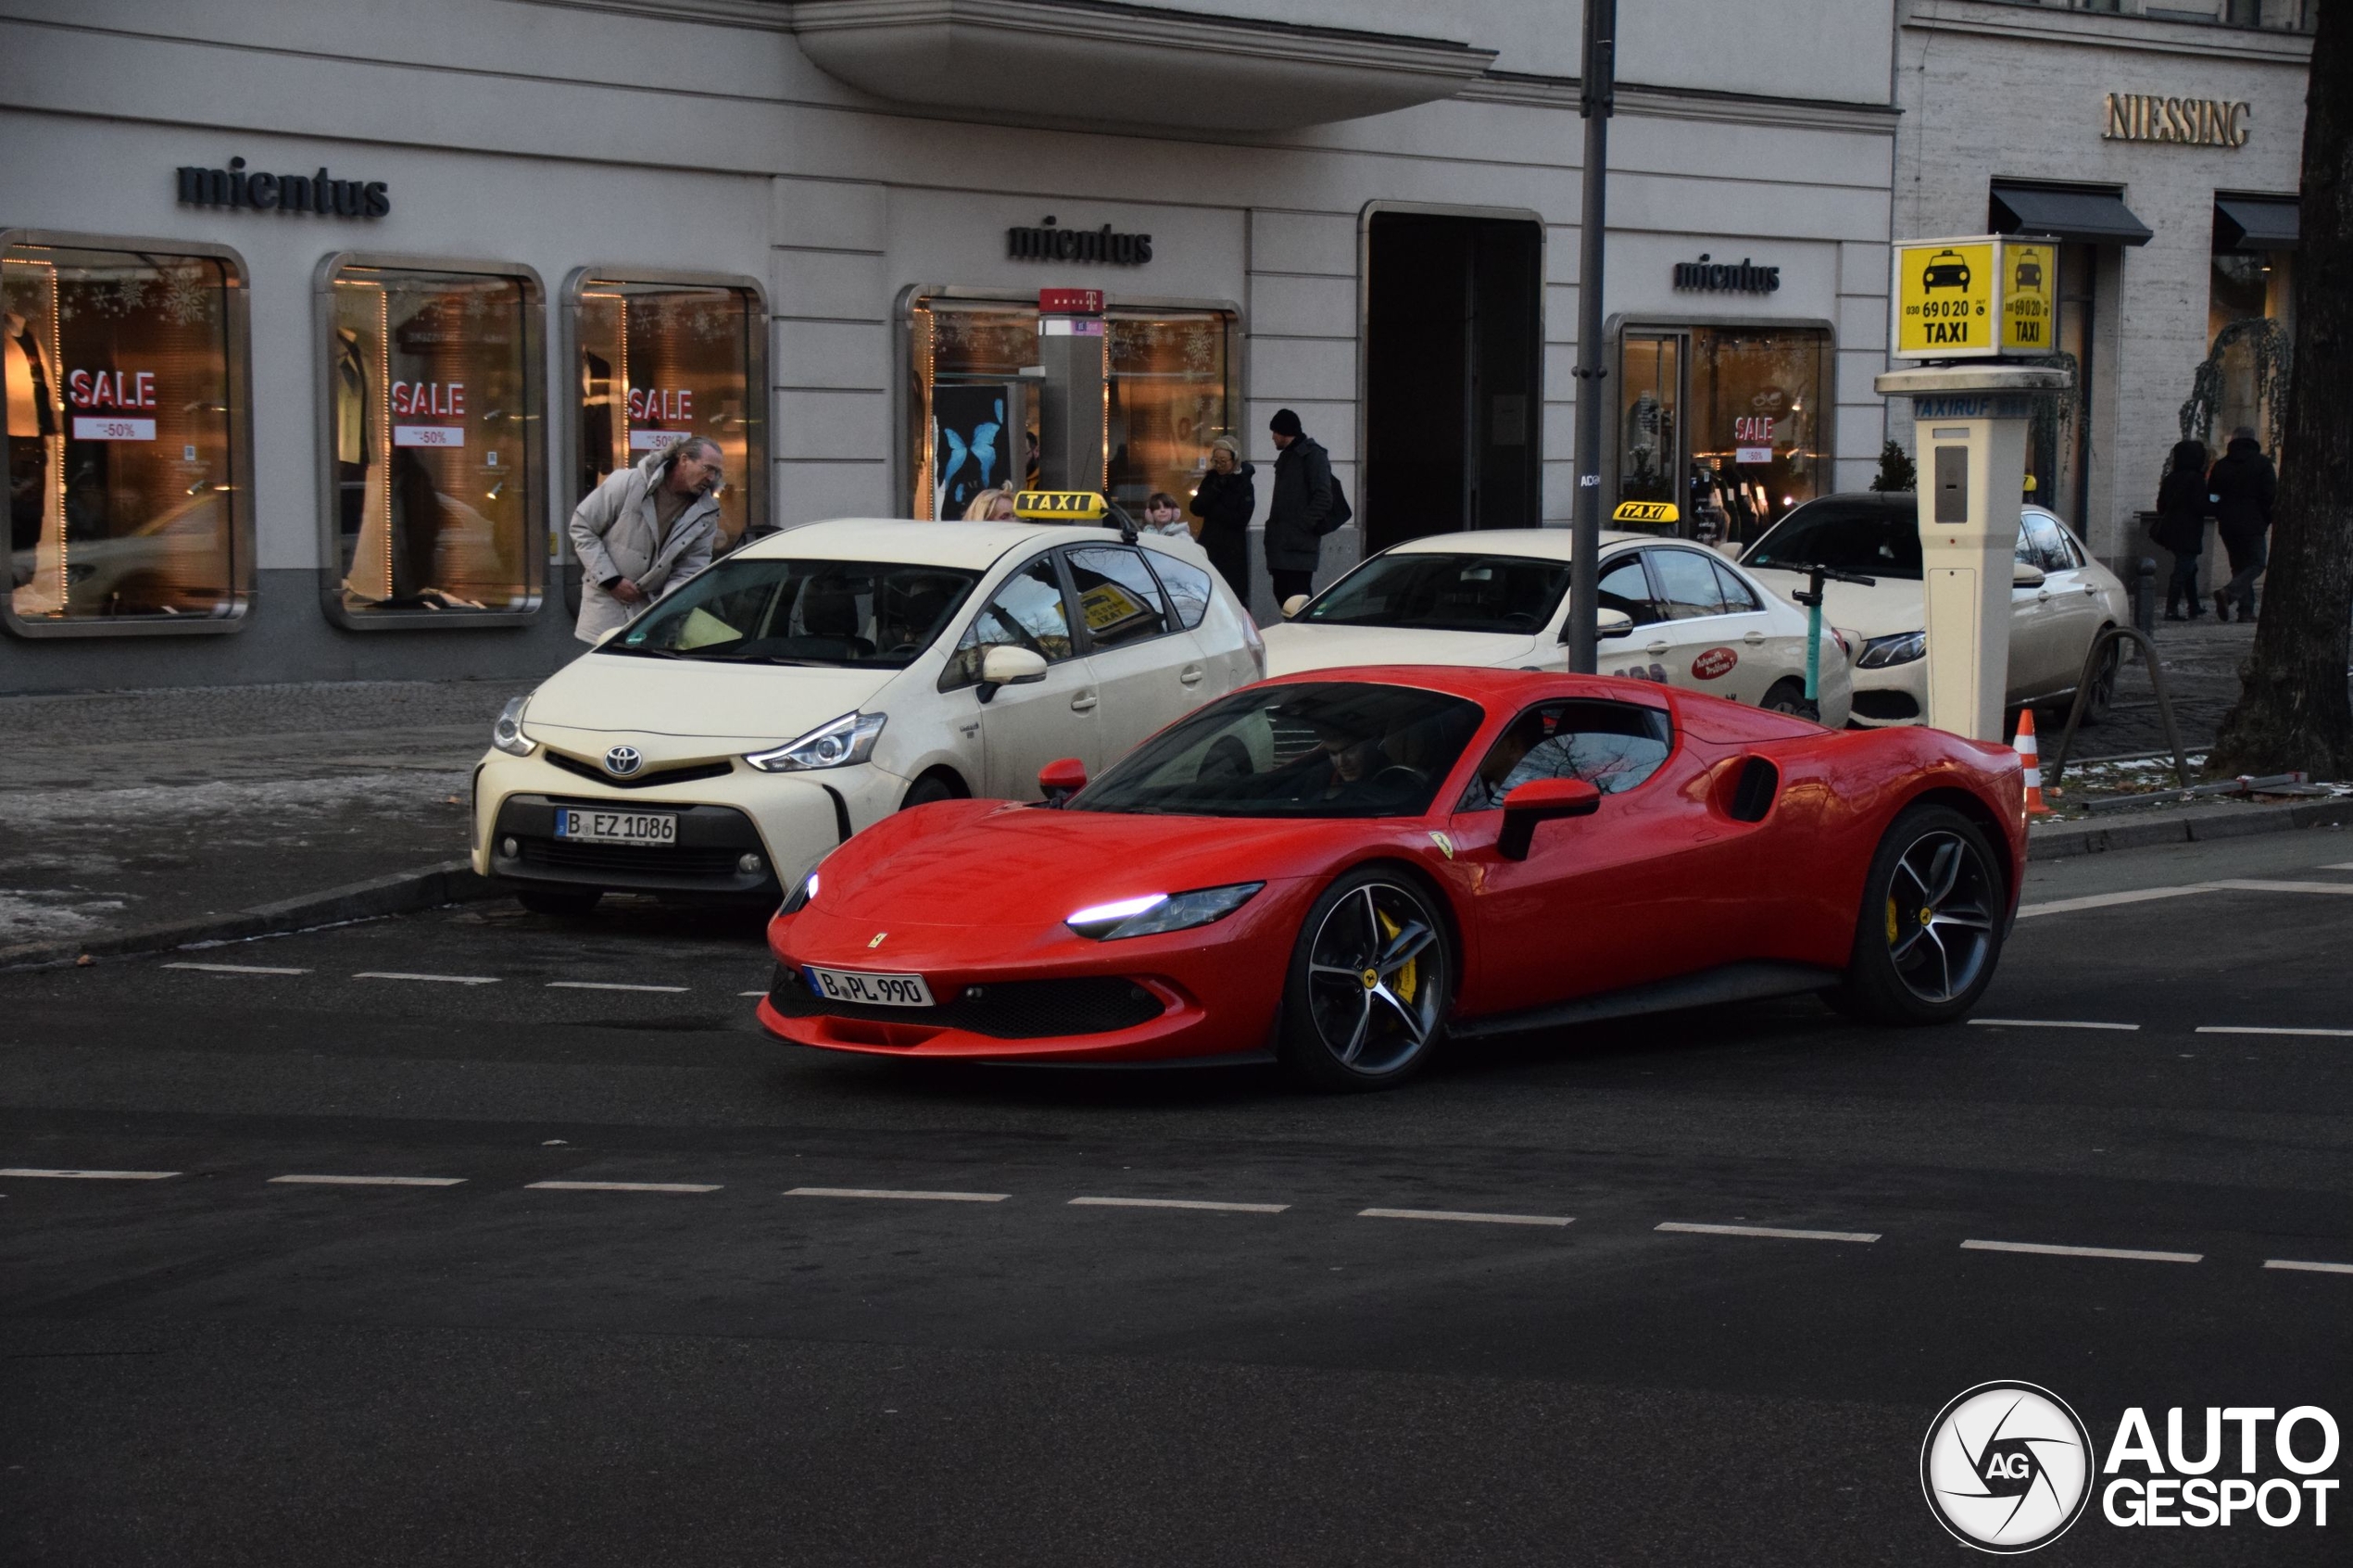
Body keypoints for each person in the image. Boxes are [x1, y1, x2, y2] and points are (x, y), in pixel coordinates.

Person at [569, 436, 724, 644]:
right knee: (603, 672)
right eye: (707, 468)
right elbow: (582, 526)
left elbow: (691, 567)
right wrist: (611, 580)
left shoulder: (706, 512)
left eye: (716, 472)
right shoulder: (628, 482)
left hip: (654, 617)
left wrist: (666, 607)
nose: (711, 477)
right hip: (607, 607)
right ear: (684, 459)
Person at [1264, 408, 1335, 608]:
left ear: (1285, 432)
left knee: (1297, 600)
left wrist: (1302, 526)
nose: (1272, 437)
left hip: (1297, 545)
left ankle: (1306, 637)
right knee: (1283, 593)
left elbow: (1323, 497)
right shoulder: (1289, 456)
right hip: (1283, 544)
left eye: (1275, 432)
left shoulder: (1312, 455)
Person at [2207, 425, 2276, 621]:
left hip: (2227, 523)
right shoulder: (2262, 464)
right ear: (2253, 440)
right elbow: (2270, 495)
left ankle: (2245, 611)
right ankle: (2229, 593)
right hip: (2253, 522)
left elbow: (2212, 494)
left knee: (2239, 566)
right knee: (2256, 563)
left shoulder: (2221, 466)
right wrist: (2266, 516)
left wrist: (2219, 510)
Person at [2150, 438, 2209, 621]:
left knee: (2190, 568)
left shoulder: (2171, 479)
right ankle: (2172, 608)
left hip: (2171, 530)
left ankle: (2194, 606)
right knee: (2183, 568)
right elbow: (2202, 506)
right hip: (2189, 529)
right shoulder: (2196, 479)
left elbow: (2161, 505)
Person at [1189, 434, 1254, 601]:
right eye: (1215, 461)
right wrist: (1214, 491)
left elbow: (1240, 519)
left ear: (1234, 459)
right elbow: (1196, 508)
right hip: (1209, 544)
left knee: (1231, 595)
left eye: (1223, 461)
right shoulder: (1211, 480)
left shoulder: (1243, 483)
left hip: (1232, 551)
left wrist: (1214, 509)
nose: (1219, 465)